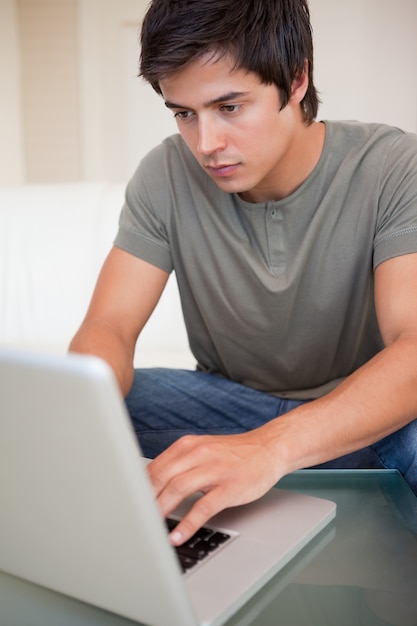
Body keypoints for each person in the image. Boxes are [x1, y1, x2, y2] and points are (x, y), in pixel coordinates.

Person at [69, 0, 417, 546]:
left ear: (296, 78)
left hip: (363, 422)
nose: (206, 144)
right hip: (228, 408)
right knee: (79, 408)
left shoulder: (394, 166)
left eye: (229, 107)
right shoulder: (164, 174)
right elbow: (109, 326)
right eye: (184, 113)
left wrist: (272, 447)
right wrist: (81, 417)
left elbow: (414, 348)